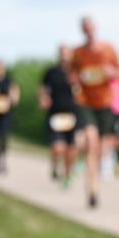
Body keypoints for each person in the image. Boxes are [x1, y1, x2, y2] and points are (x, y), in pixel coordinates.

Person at [69, 16, 119, 208]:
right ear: (82, 30)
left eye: (91, 27)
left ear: (96, 28)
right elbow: (71, 75)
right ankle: (92, 190)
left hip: (105, 103)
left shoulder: (109, 49)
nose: (88, 31)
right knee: (91, 143)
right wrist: (76, 78)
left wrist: (112, 74)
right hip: (85, 102)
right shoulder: (77, 53)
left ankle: (98, 181)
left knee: (101, 149)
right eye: (85, 28)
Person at [40, 45, 80, 188]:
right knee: (58, 148)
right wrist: (43, 99)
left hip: (73, 115)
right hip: (56, 115)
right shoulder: (51, 72)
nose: (64, 56)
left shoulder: (76, 72)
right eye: (61, 53)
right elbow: (43, 89)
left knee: (72, 148)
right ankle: (55, 165)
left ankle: (68, 175)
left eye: (66, 53)